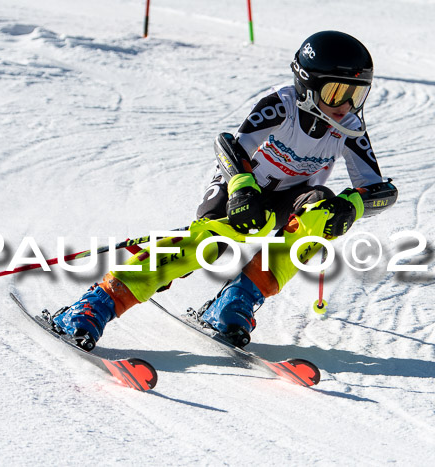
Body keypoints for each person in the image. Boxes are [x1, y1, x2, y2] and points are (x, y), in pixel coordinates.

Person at [52, 30, 398, 350]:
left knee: (320, 216)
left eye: (356, 95)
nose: (346, 106)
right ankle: (97, 304)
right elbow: (228, 146)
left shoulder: (349, 128)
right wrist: (242, 188)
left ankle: (234, 303)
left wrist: (351, 204)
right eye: (336, 93)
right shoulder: (281, 106)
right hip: (242, 188)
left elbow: (380, 190)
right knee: (211, 243)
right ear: (308, 85)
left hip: (293, 199)